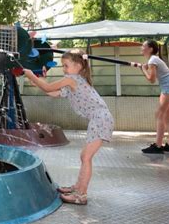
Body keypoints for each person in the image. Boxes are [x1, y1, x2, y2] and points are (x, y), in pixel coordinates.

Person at [24, 49, 114, 205]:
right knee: (84, 156)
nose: (63, 69)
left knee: (86, 158)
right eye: (62, 66)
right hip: (99, 119)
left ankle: (81, 195)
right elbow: (54, 93)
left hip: (100, 119)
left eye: (66, 65)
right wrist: (38, 82)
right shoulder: (75, 80)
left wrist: (32, 76)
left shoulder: (72, 79)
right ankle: (77, 187)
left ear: (79, 65)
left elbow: (48, 88)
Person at [140, 40, 169, 154]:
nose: (141, 48)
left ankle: (157, 145)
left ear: (150, 49)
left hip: (168, 86)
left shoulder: (153, 60)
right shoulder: (154, 60)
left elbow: (152, 80)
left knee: (160, 114)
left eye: (143, 46)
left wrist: (143, 70)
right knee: (166, 115)